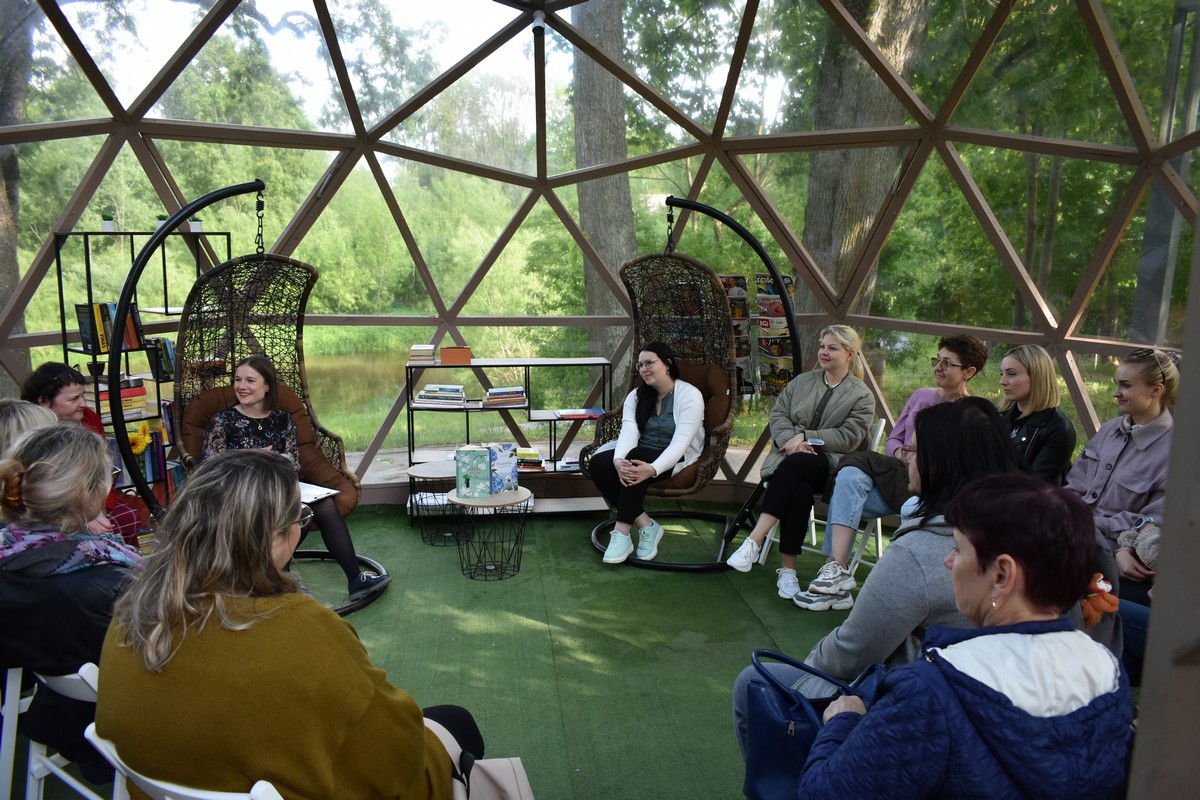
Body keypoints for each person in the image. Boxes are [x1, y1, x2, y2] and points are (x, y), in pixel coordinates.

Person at [97, 449, 480, 798]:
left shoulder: (131, 610)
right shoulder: (303, 629)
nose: (299, 529)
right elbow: (397, 757)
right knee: (456, 722)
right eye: (300, 518)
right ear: (274, 538)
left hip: (159, 787)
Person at [797, 475, 1133, 799]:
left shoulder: (934, 691)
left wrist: (843, 721)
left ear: (1002, 575)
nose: (948, 561)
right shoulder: (1110, 675)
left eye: (958, 549)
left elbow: (824, 792)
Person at [732, 398, 1021, 760]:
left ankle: (796, 780)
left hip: (922, 718)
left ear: (940, 463)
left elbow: (853, 651)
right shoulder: (1028, 529)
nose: (906, 459)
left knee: (753, 684)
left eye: (913, 451)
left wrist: (808, 671)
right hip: (998, 713)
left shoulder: (924, 552)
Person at [0, 424, 144, 783]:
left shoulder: (10, 550)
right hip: (111, 722)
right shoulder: (110, 583)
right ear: (87, 493)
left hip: (52, 696)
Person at [800, 335, 988, 604]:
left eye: (948, 363)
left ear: (969, 372)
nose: (938, 367)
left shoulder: (971, 413)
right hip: (896, 478)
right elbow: (894, 439)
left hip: (925, 493)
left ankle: (838, 585)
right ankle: (836, 568)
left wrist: (923, 461)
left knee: (846, 492)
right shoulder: (921, 395)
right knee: (850, 475)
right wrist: (901, 453)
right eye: (937, 360)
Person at [201, 355, 389, 601]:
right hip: (239, 494)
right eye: (237, 380)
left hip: (279, 488)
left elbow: (294, 464)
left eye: (250, 380)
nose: (241, 386)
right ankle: (268, 575)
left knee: (324, 504)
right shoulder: (222, 421)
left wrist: (280, 465)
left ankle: (355, 580)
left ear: (267, 386)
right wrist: (254, 458)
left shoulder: (282, 419)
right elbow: (210, 469)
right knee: (296, 513)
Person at [725, 325, 874, 605]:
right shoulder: (802, 382)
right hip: (791, 459)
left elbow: (849, 436)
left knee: (798, 466)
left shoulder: (861, 395)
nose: (823, 352)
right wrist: (790, 442)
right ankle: (788, 571)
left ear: (850, 354)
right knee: (799, 487)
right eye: (822, 346)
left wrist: (806, 437)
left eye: (832, 348)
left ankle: (754, 540)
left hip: (831, 467)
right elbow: (779, 414)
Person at [1064, 347, 1178, 684]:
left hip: (1112, 557)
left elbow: (1150, 522)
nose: (1116, 393)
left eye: (1126, 385)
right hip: (1074, 540)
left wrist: (1094, 531)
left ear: (1156, 390)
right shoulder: (1111, 430)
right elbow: (1074, 487)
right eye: (1117, 383)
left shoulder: (1176, 449)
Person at [590, 341, 705, 563]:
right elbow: (629, 432)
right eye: (640, 365)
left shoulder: (690, 395)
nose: (644, 369)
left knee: (637, 458)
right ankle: (647, 525)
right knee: (599, 463)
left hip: (674, 457)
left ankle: (622, 531)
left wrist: (652, 469)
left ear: (668, 364)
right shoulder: (637, 396)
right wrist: (619, 461)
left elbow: (680, 443)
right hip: (639, 452)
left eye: (650, 363)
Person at [21, 362, 141, 543]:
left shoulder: (89, 418)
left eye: (83, 395)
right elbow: (43, 490)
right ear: (44, 401)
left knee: (127, 517)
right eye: (74, 399)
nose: (83, 403)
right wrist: (81, 517)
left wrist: (99, 510)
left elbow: (102, 472)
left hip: (93, 500)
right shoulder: (33, 434)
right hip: (54, 509)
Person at [997, 344, 1076, 483]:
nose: (1002, 381)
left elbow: (1036, 485)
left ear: (1037, 377)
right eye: (1001, 374)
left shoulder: (1058, 428)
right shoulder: (999, 417)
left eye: (1011, 374)